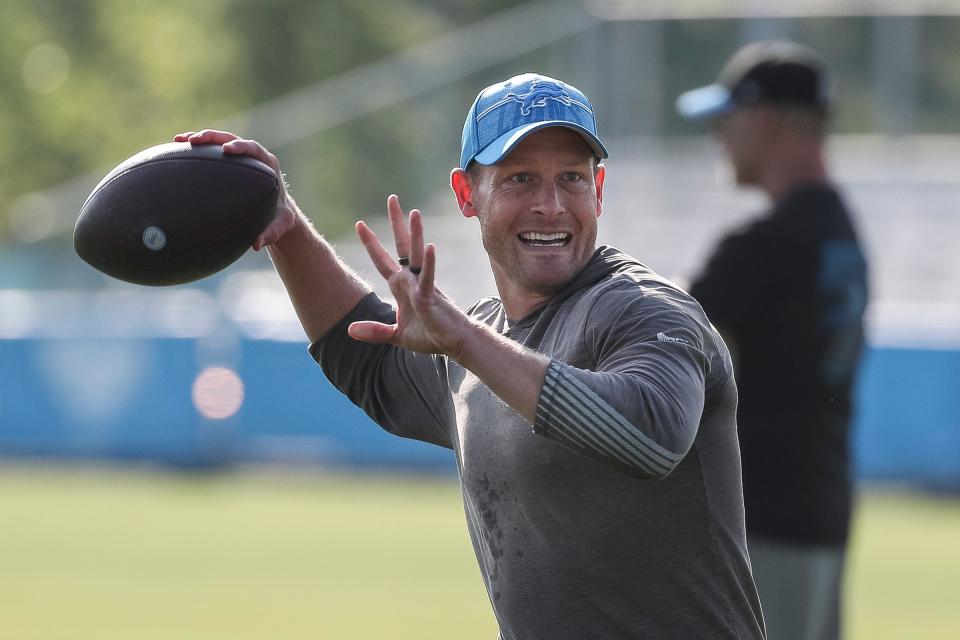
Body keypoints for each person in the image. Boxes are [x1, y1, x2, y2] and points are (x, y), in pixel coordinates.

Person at [176, 72, 765, 639]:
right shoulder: (479, 341)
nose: (551, 205)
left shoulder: (646, 311)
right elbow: (370, 365)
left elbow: (651, 434)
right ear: (466, 194)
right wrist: (286, 229)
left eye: (572, 178)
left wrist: (464, 341)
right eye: (519, 180)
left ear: (599, 189)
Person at [676, 41, 869, 640]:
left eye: (726, 121)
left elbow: (652, 337)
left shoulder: (765, 246)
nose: (719, 138)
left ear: (762, 120)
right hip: (822, 508)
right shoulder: (841, 229)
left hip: (760, 520)